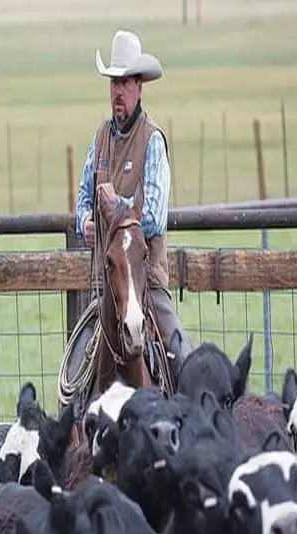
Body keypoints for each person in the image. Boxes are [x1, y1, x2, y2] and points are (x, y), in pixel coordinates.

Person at [76, 29, 193, 378]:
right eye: (114, 83)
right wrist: (84, 220)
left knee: (180, 355)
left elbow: (154, 218)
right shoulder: (99, 138)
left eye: (125, 83)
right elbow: (84, 193)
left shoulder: (152, 140)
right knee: (75, 371)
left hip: (147, 286)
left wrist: (117, 207)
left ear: (139, 86)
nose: (118, 91)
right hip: (107, 287)